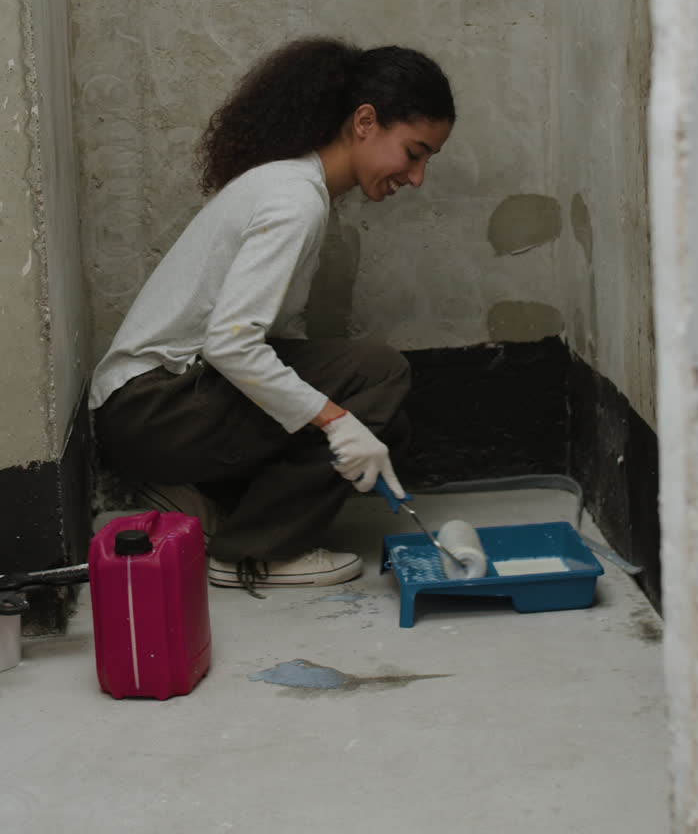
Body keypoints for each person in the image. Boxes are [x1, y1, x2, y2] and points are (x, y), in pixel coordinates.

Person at [90, 37, 455, 591]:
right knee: (380, 373)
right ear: (364, 122)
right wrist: (334, 418)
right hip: (151, 410)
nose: (417, 176)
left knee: (386, 421)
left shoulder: (298, 187)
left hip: (154, 408)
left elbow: (278, 337)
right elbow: (232, 346)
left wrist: (342, 418)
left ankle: (202, 500)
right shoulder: (294, 202)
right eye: (414, 152)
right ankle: (251, 553)